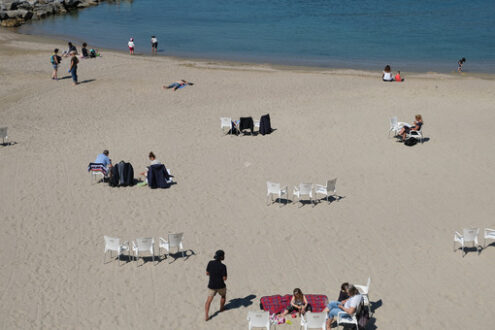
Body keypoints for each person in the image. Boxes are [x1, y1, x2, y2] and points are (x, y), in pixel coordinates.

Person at [205, 250, 227, 321]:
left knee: (208, 301)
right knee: (223, 296)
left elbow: (207, 273)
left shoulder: (210, 263)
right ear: (221, 257)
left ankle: (206, 315)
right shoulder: (223, 266)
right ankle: (221, 308)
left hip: (212, 285)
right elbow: (224, 278)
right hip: (220, 285)